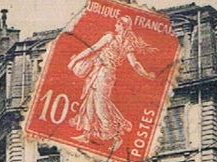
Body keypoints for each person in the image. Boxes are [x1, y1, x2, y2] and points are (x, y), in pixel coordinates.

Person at [67, 14, 157, 150]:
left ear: (122, 26)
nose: (115, 26)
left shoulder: (113, 39)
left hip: (105, 73)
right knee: (89, 101)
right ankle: (86, 134)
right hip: (99, 72)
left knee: (100, 103)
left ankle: (115, 135)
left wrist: (74, 60)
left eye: (118, 24)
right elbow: (135, 64)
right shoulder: (126, 44)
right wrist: (147, 74)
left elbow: (92, 49)